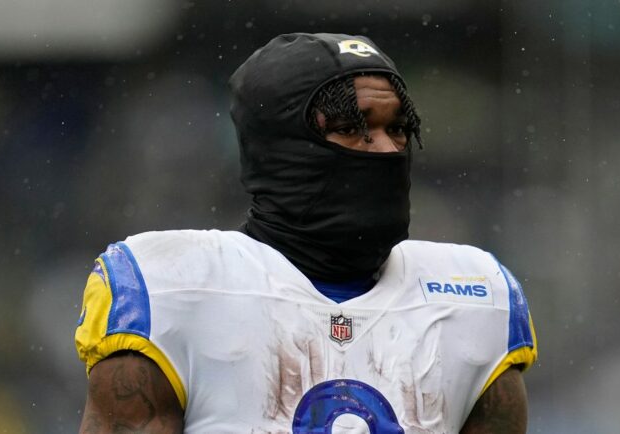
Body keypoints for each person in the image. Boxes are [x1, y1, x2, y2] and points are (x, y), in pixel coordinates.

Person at [75, 32, 537, 433]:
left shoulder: (475, 295)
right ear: (279, 148)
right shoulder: (169, 286)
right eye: (351, 129)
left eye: (396, 128)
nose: (386, 150)